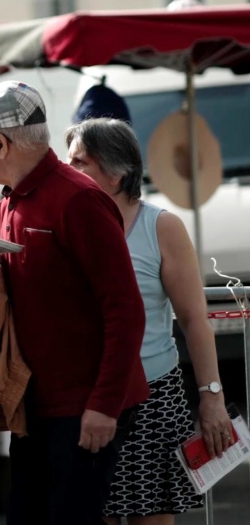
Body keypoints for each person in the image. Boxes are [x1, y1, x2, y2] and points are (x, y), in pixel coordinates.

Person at [0, 81, 150, 525]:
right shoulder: (10, 202)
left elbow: (125, 309)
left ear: (1, 143)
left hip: (83, 408)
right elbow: (21, 292)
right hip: (37, 406)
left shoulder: (78, 199)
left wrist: (103, 405)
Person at [65, 118, 232, 525]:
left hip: (153, 399)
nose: (69, 172)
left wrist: (212, 397)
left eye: (80, 162)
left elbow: (194, 319)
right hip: (85, 398)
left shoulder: (161, 227)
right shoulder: (68, 225)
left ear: (119, 172)